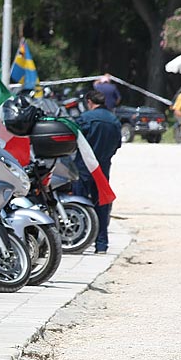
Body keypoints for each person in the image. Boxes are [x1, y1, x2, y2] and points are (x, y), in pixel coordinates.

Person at [71, 90, 122, 255]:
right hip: (103, 168)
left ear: (89, 101)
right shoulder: (114, 120)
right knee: (102, 205)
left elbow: (73, 139)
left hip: (84, 167)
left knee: (79, 204)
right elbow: (118, 144)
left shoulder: (86, 118)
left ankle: (79, 240)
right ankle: (101, 245)